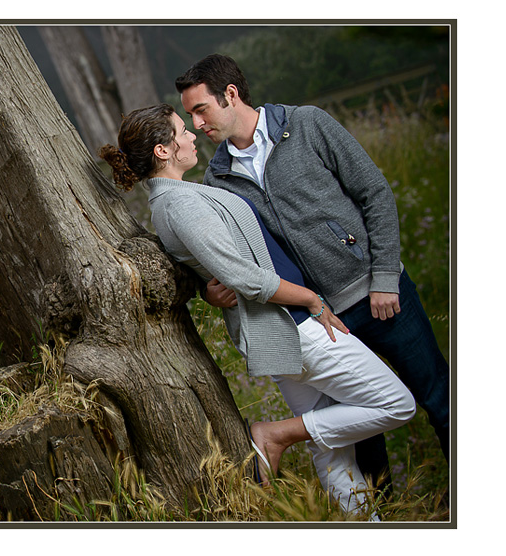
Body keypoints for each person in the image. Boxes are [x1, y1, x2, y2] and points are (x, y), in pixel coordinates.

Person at [99, 104, 416, 518]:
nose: (193, 135)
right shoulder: (178, 205)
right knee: (396, 403)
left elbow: (214, 267)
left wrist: (208, 289)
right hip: (292, 328)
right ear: (163, 150)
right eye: (182, 130)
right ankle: (274, 435)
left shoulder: (178, 198)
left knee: (333, 452)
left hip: (284, 330)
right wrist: (311, 300)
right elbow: (243, 276)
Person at [175, 54, 450, 493]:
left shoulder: (306, 125)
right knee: (361, 430)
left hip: (378, 296)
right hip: (321, 320)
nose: (197, 122)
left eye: (200, 109)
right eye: (189, 114)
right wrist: (212, 292)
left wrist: (382, 278)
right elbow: (240, 259)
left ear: (230, 95)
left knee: (438, 396)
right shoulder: (218, 179)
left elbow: (374, 192)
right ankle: (389, 516)